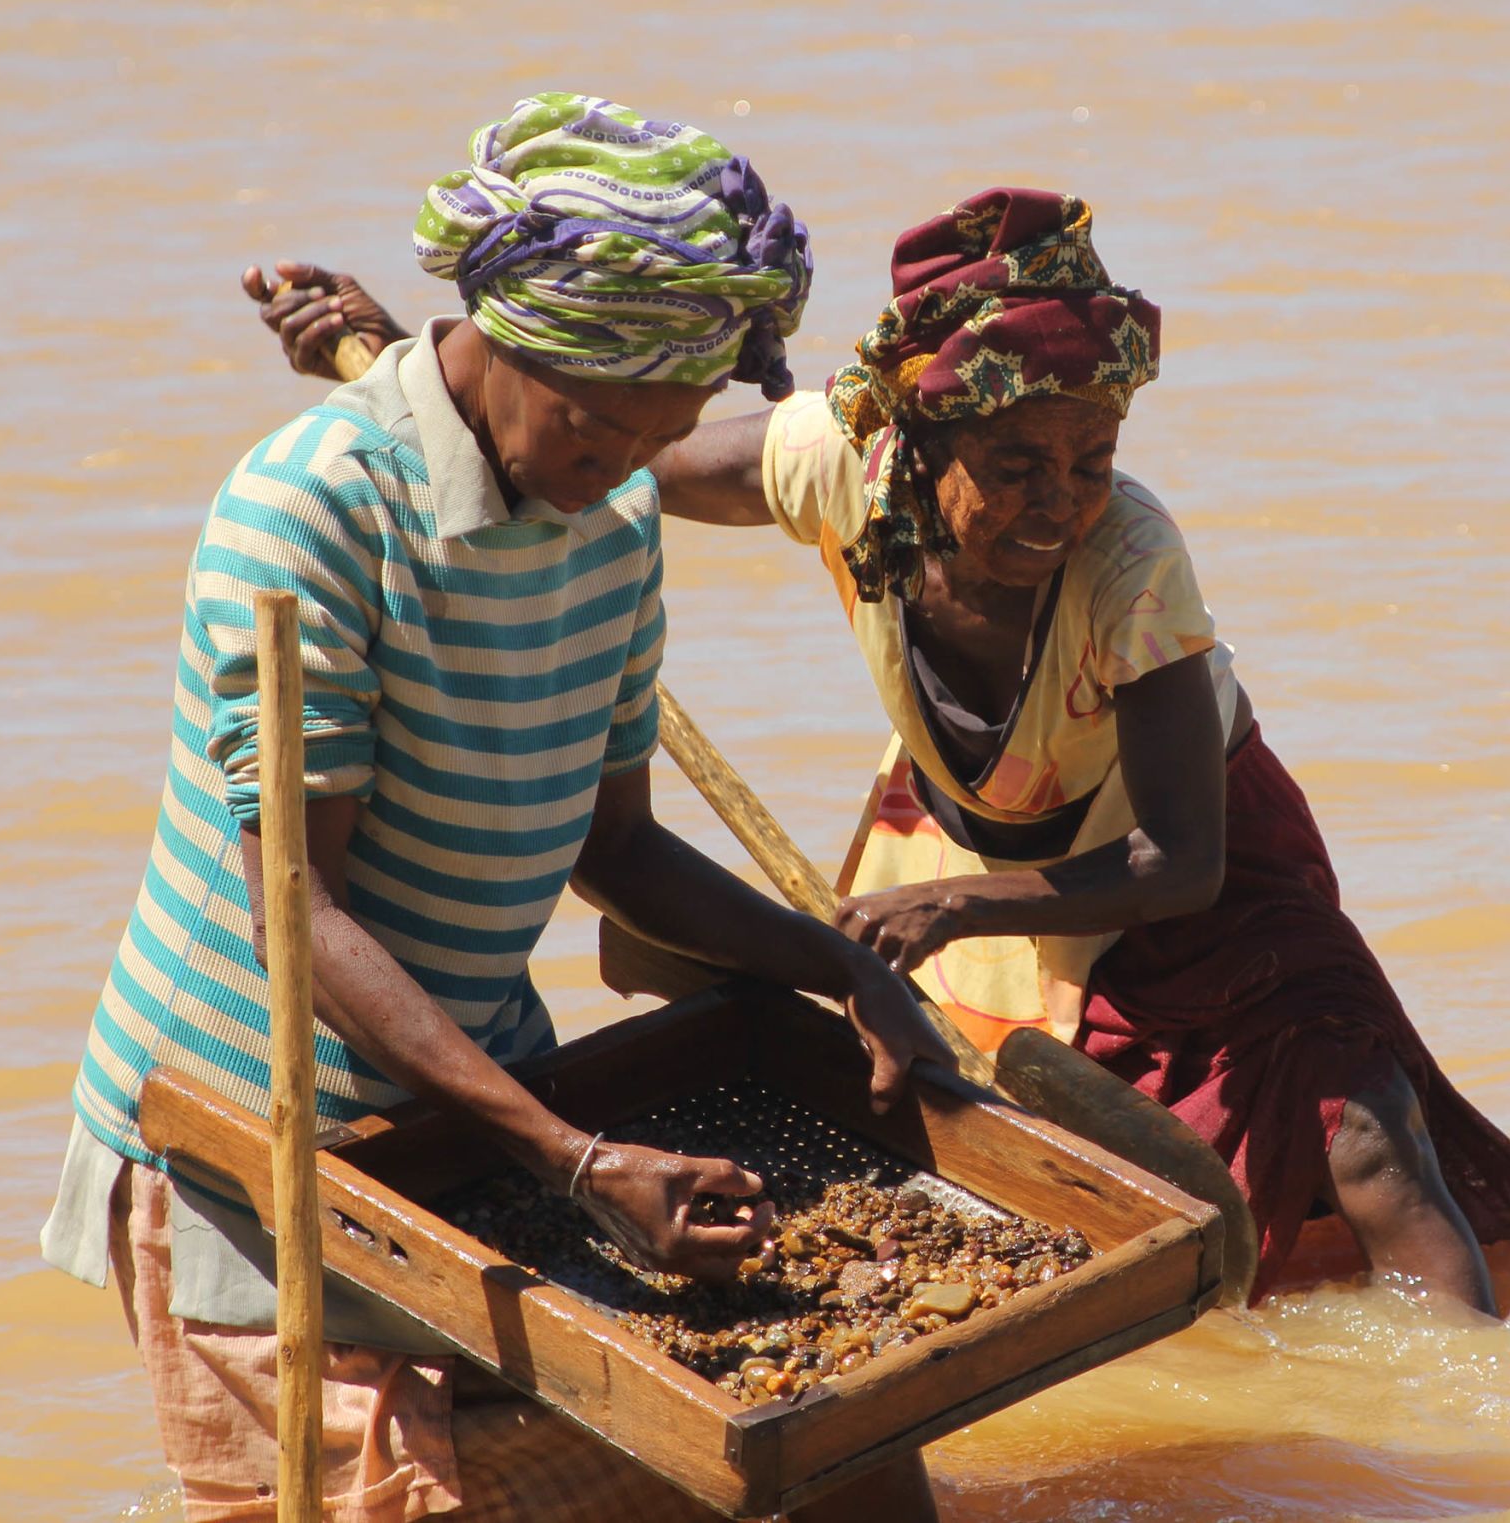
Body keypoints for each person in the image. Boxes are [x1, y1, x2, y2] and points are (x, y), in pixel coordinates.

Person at [250, 188, 1510, 1312]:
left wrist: (952, 904)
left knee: (1365, 1145)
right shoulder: (834, 464)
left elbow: (1179, 861)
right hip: (974, 829)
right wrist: (401, 359)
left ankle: (1470, 1428)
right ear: (918, 450)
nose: (1064, 503)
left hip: (1191, 862)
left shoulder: (1131, 564)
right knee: (1022, 1159)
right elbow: (600, 447)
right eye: (1023, 467)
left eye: (1092, 457)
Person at [46, 93, 948, 1523]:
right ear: (503, 342)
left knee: (834, 1459)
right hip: (252, 1123)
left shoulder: (619, 519)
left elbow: (621, 848)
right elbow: (304, 915)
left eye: (657, 435)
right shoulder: (310, 516)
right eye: (594, 430)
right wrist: (574, 1159)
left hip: (480, 1096)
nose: (615, 472)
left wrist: (838, 966)